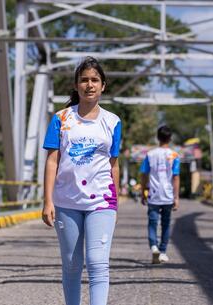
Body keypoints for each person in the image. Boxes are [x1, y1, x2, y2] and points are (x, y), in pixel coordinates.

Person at [42, 57, 121, 305]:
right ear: (76, 86)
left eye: (95, 80)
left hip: (102, 202)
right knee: (72, 264)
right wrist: (47, 201)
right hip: (66, 201)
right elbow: (52, 161)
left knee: (98, 262)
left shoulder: (113, 121)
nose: (89, 85)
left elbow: (113, 164)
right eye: (84, 80)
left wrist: (115, 201)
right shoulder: (61, 119)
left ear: (103, 85)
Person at [140, 125, 180, 264]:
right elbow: (175, 177)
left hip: (153, 194)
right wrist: (176, 197)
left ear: (157, 138)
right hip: (168, 195)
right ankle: (162, 251)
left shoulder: (150, 154)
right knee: (166, 224)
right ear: (170, 138)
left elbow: (144, 174)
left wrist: (143, 192)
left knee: (152, 223)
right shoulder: (174, 155)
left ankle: (154, 247)